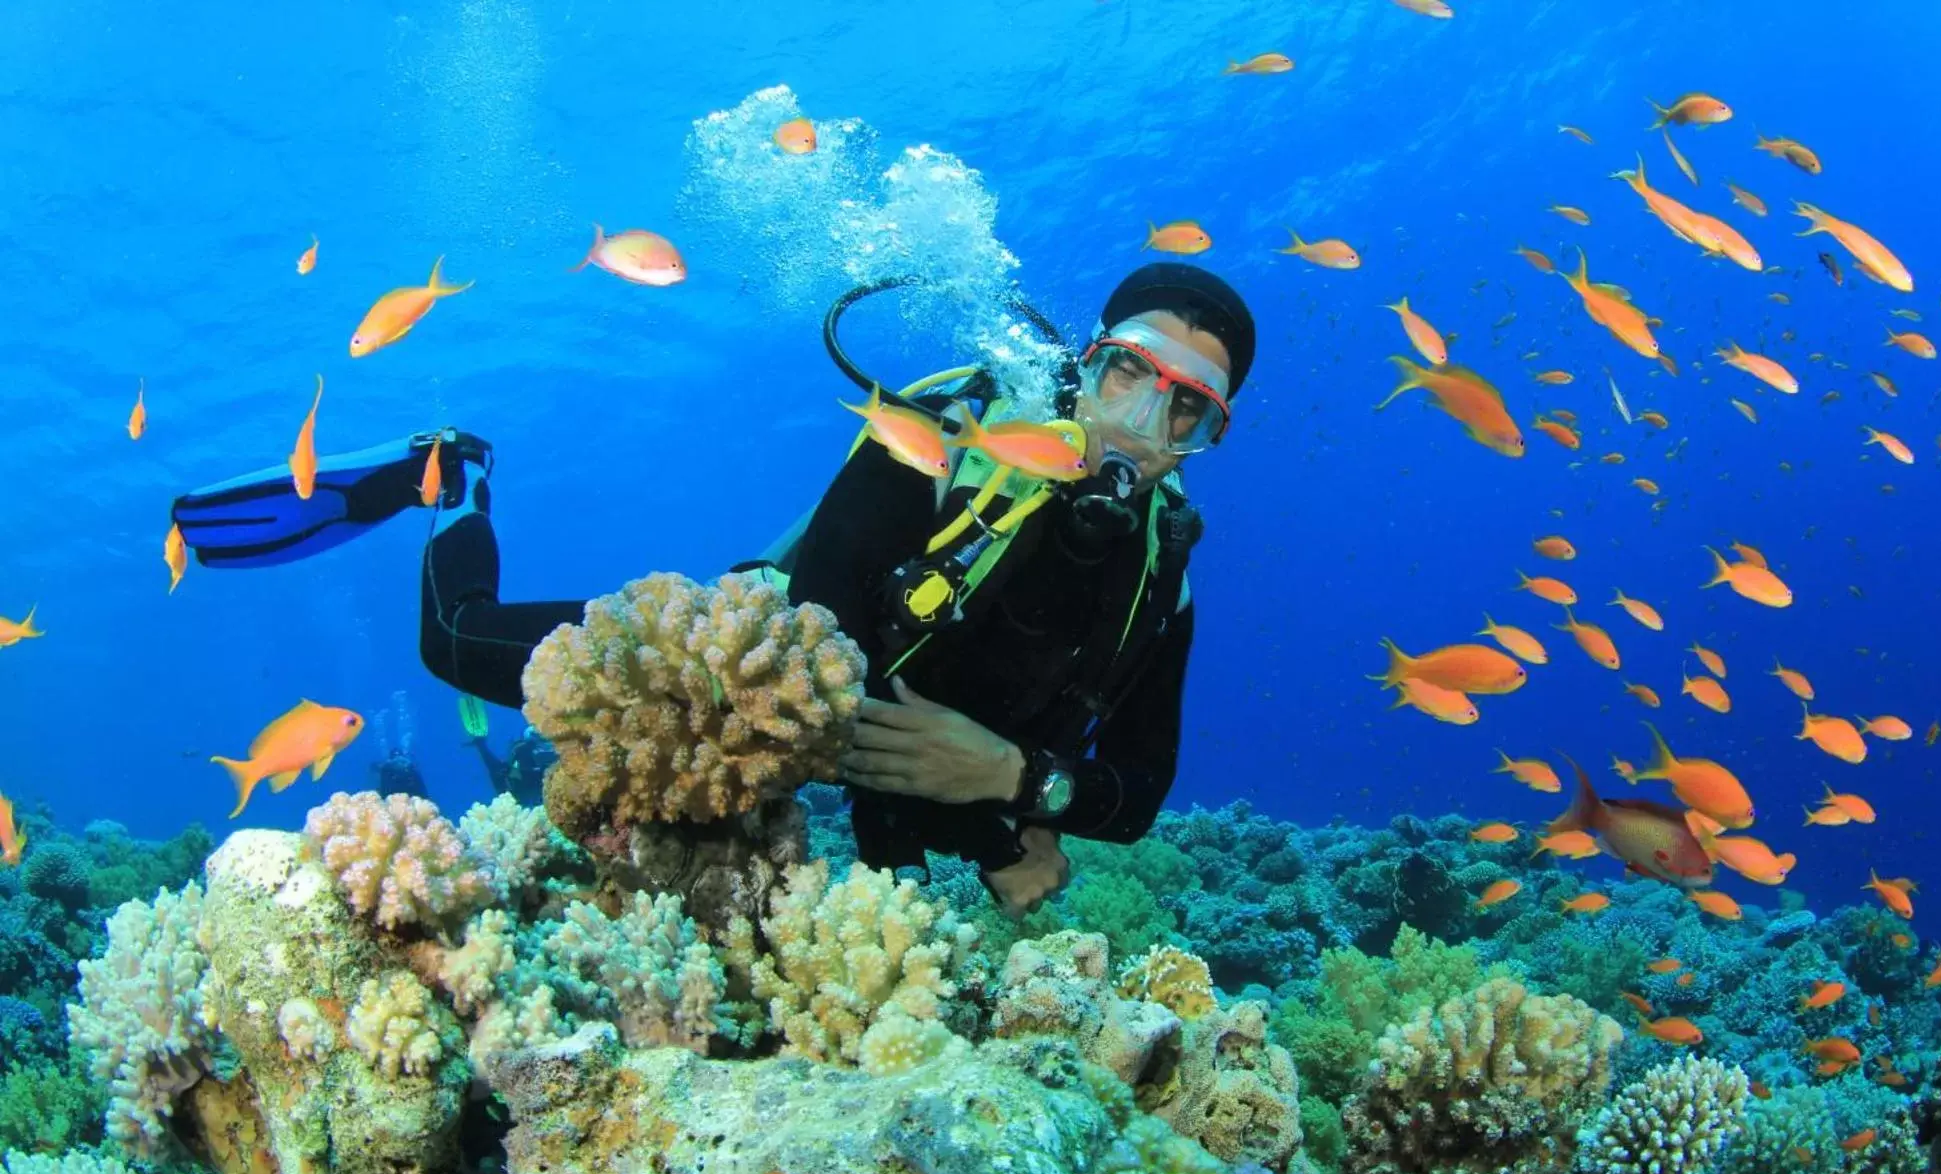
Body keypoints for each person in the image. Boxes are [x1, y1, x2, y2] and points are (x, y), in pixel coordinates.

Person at [169, 262, 1254, 917]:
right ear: (1086, 363)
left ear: (1207, 437)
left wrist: (1013, 776)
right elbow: (811, 650)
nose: (1140, 427)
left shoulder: (1164, 577)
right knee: (452, 644)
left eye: (1187, 411)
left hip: (860, 747)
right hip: (737, 654)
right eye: (1128, 373)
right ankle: (453, 475)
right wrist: (986, 826)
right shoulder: (957, 431)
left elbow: (1141, 793)